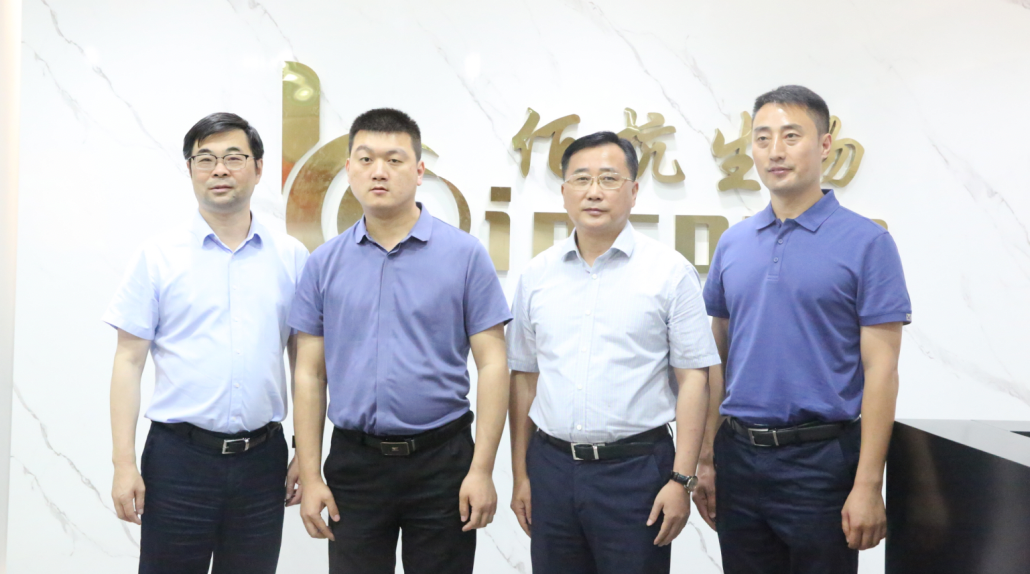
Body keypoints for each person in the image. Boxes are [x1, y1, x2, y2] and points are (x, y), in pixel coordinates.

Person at [694, 85, 912, 573]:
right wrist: (705, 457)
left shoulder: (867, 243)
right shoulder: (733, 243)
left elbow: (882, 371)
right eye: (763, 138)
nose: (775, 151)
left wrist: (867, 484)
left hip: (822, 463)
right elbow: (718, 355)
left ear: (825, 144)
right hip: (738, 458)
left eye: (791, 136)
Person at [290, 108, 512, 574]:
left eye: (394, 159)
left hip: (442, 461)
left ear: (420, 170)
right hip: (355, 464)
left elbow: (494, 364)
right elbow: (309, 373)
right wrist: (310, 475)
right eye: (366, 159)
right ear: (348, 168)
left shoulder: (464, 255)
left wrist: (482, 469)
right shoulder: (324, 263)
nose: (379, 171)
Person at [507, 131, 719, 574]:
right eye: (581, 179)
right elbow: (524, 377)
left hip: (636, 471)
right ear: (564, 191)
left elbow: (694, 380)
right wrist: (521, 475)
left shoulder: (669, 272)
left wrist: (682, 478)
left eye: (608, 179)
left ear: (634, 191)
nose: (594, 191)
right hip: (551, 468)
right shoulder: (536, 275)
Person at [106, 112, 309, 574]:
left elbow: (304, 364)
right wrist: (123, 464)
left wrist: (306, 453)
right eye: (206, 159)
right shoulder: (158, 256)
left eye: (234, 158)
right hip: (179, 460)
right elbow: (128, 362)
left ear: (258, 168)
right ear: (190, 169)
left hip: (263, 461)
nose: (220, 170)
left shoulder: (291, 256)